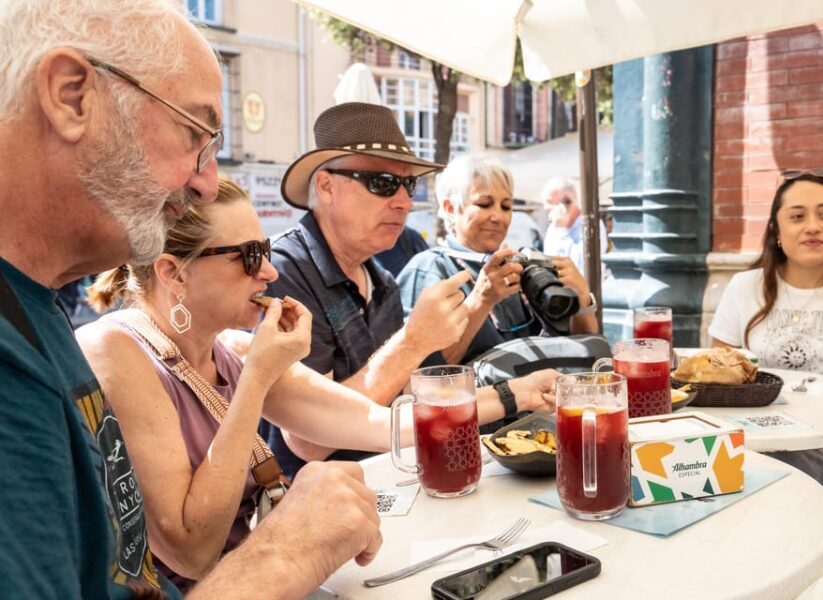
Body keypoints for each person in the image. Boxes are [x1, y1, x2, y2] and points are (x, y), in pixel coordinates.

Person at [0, 1, 379, 598]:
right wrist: (287, 549)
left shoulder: (37, 310)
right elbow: (186, 543)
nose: (206, 179)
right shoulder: (43, 351)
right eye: (196, 134)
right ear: (71, 96)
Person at [77, 177, 542, 591]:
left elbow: (373, 422)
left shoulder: (232, 348)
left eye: (266, 250)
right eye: (250, 256)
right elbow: (191, 549)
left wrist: (514, 394)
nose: (270, 272)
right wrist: (257, 379)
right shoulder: (116, 350)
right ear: (172, 272)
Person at [262, 102, 558, 476]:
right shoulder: (282, 270)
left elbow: (406, 402)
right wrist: (414, 341)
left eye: (408, 184)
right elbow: (309, 440)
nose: (404, 201)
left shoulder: (381, 282)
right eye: (383, 183)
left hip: (390, 481)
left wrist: (522, 392)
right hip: (313, 501)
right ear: (326, 185)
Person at [708, 169, 823, 505]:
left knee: (769, 492)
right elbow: (715, 380)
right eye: (798, 216)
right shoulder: (745, 288)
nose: (813, 226)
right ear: (777, 229)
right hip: (753, 442)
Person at [397, 155, 600, 366]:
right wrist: (482, 301)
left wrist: (582, 298)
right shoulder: (429, 269)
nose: (498, 217)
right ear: (450, 208)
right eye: (484, 204)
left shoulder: (520, 267)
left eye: (506, 206)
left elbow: (584, 350)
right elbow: (425, 373)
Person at [541, 177, 609, 276]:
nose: (545, 207)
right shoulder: (553, 229)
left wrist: (564, 228)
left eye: (549, 201)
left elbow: (580, 268)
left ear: (568, 200)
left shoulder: (590, 224)